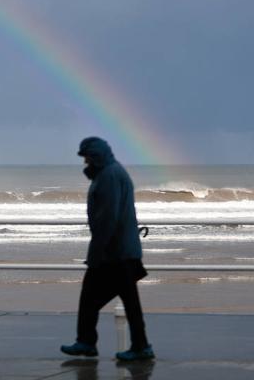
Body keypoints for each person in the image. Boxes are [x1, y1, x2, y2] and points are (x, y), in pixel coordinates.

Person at [60, 137, 154, 361]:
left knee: (92, 297)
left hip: (115, 253)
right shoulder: (110, 173)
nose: (85, 162)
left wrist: (97, 252)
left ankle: (88, 342)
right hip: (121, 250)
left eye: (87, 157)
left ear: (96, 156)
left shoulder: (110, 176)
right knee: (127, 301)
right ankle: (136, 346)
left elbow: (107, 218)